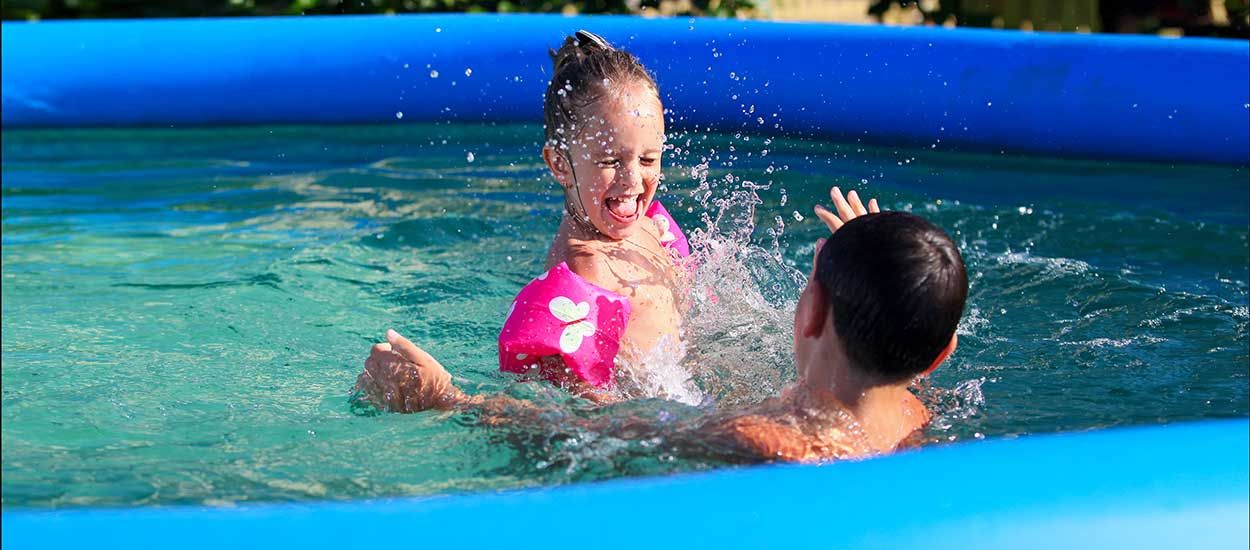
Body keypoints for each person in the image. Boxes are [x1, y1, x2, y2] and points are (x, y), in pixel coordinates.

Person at [355, 200, 967, 463]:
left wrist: (444, 401)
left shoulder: (766, 441)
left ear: (806, 315)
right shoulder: (913, 412)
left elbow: (582, 436)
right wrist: (872, 262)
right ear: (940, 354)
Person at [493, 30, 692, 400]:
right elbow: (592, 408)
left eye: (648, 159)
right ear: (559, 165)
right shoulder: (587, 271)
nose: (633, 180)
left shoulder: (648, 226)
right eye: (610, 161)